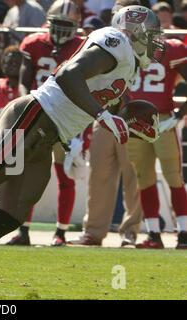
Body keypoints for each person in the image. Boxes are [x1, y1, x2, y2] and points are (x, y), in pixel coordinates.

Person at [0, 4, 162, 258]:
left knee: (12, 215)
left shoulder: (128, 64)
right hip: (35, 115)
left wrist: (128, 121)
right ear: (135, 32)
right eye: (151, 36)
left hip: (49, 134)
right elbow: (69, 75)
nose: (155, 43)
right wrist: (102, 115)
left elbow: (107, 101)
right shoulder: (116, 42)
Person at [6, 0, 85, 246]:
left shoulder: (83, 47)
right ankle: (24, 229)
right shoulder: (33, 43)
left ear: (75, 26)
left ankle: (60, 232)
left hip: (67, 117)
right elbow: (24, 80)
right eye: (57, 24)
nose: (61, 30)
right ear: (48, 23)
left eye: (67, 25)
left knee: (64, 175)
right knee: (30, 174)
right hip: (38, 114)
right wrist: (25, 105)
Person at [67, 0, 145, 248]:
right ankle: (94, 231)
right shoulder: (108, 38)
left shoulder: (147, 42)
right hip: (105, 115)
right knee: (98, 174)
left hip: (133, 116)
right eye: (117, 12)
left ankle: (130, 232)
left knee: (134, 176)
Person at [127, 37, 187, 249]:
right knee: (144, 177)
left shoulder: (171, 49)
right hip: (134, 120)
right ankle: (153, 233)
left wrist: (178, 116)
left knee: (173, 176)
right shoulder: (124, 46)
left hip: (163, 118)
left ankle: (184, 233)